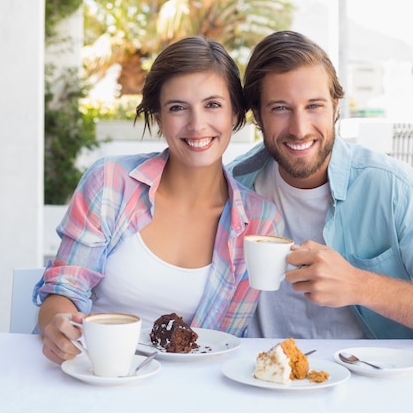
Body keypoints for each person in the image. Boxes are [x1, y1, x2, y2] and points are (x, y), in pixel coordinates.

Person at [228, 30, 413, 341]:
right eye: (280, 108)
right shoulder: (232, 186)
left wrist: (358, 285)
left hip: (372, 383)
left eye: (314, 106)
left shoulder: (394, 189)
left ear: (335, 106)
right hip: (260, 379)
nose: (300, 129)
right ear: (258, 116)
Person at [34, 36, 283, 365]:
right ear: (158, 115)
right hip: (93, 370)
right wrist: (57, 323)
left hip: (190, 388)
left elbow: (227, 341)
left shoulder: (260, 222)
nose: (196, 125)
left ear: (235, 112)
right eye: (177, 107)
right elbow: (65, 289)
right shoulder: (110, 182)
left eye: (212, 105)